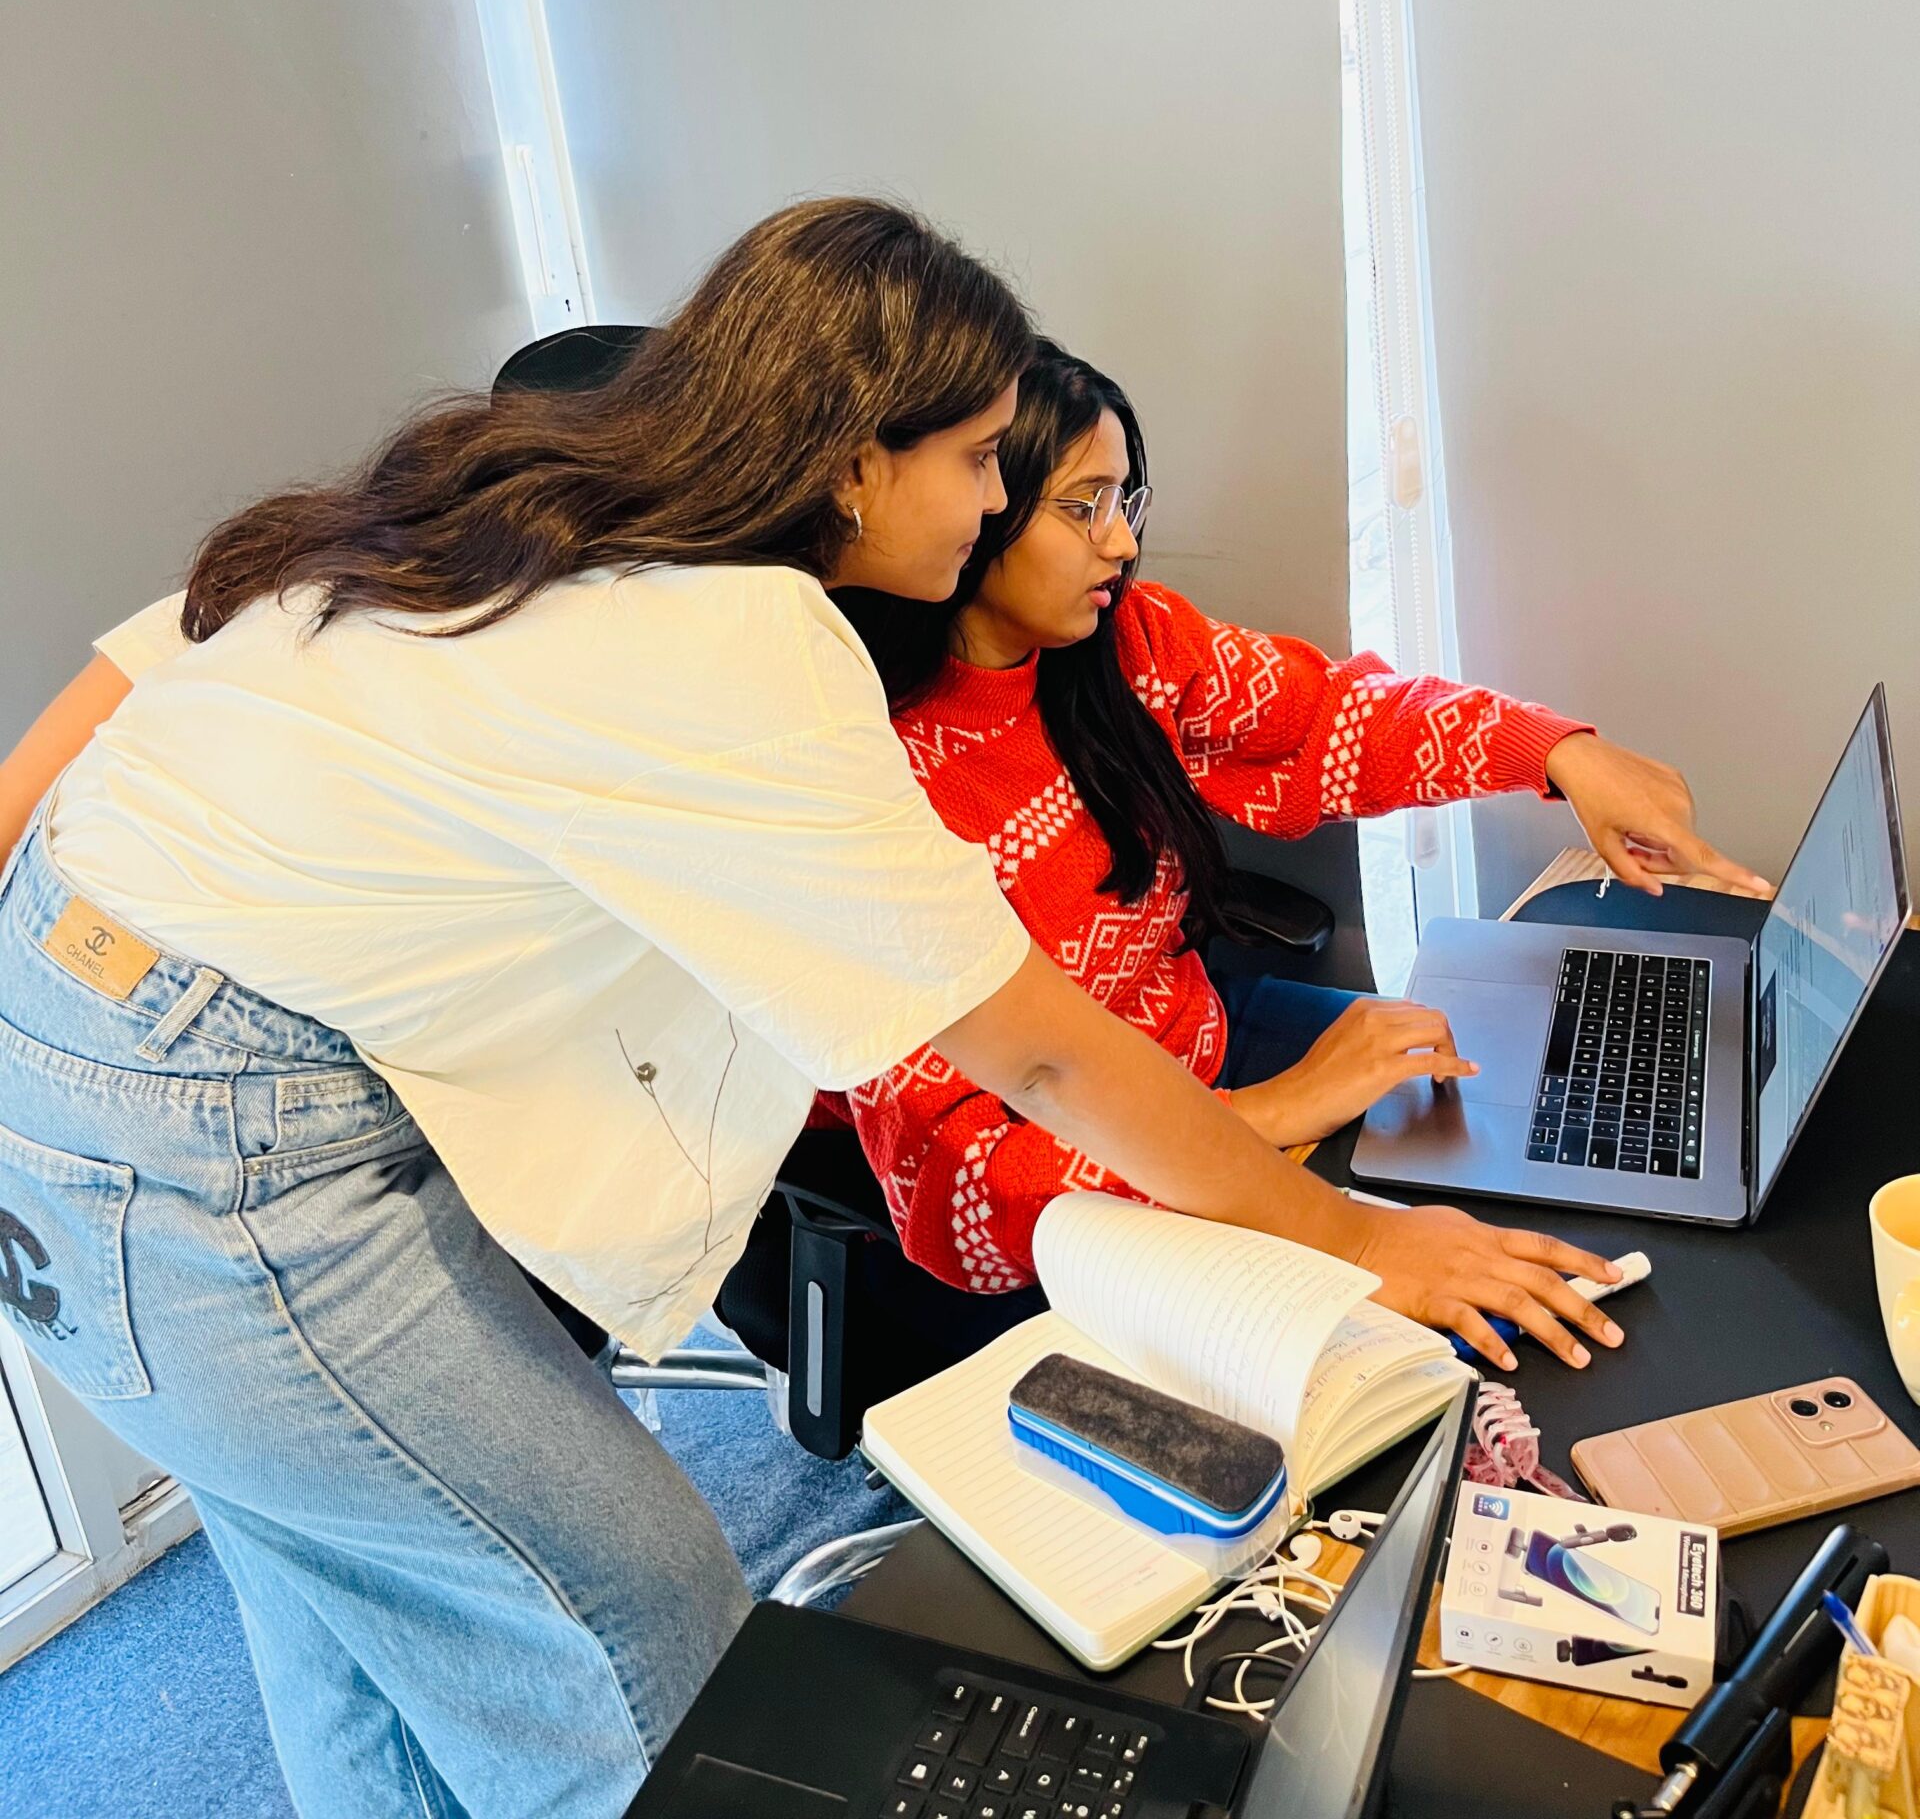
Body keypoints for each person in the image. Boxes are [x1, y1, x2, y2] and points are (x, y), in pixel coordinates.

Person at [0, 204, 1622, 1819]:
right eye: (985, 458)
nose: (996, 501)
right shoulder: (747, 635)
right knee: (627, 1631)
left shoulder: (517, 501)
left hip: (83, 1030)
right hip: (212, 1133)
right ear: (856, 457)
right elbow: (1036, 1048)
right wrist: (1353, 1238)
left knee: (359, 1609)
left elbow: (106, 708)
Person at [832, 341, 1769, 1304]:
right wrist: (1273, 1114)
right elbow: (962, 1185)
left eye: (1125, 502)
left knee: (1551, 1131)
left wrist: (1559, 755)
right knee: (1479, 1314)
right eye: (1083, 506)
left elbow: (1326, 717)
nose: (1119, 542)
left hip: (1211, 1062)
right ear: (982, 501)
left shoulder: (1126, 641)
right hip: (1086, 1199)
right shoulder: (872, 778)